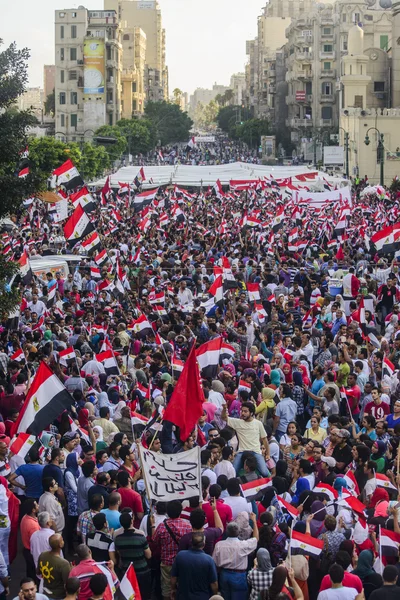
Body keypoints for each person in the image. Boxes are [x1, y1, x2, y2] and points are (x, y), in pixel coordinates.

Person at [151, 500, 192, 600]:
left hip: (166, 563)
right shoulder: (187, 526)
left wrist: (152, 525)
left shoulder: (161, 526)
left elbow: (154, 541)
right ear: (180, 511)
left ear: (167, 512)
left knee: (166, 590)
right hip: (182, 562)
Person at [212, 517, 259, 600]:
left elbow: (214, 563)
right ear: (238, 532)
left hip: (224, 575)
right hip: (239, 577)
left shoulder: (219, 545)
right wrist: (254, 522)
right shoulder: (243, 545)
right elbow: (256, 539)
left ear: (226, 532)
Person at [109, 511, 151, 598]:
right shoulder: (140, 537)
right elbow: (149, 555)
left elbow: (119, 553)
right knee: (143, 594)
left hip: (126, 571)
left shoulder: (118, 539)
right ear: (132, 521)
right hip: (142, 571)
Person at [221, 402, 270, 476]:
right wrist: (224, 409)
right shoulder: (237, 422)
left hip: (256, 451)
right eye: (242, 411)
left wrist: (268, 454)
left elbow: (264, 439)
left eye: (245, 411)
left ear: (251, 413)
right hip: (241, 452)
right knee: (233, 472)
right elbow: (224, 418)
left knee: (265, 472)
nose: (243, 413)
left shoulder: (258, 423)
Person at [171, 532, 219, 600]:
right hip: (202, 597)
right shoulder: (209, 560)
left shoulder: (180, 556)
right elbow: (214, 583)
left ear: (191, 542)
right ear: (204, 544)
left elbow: (173, 577)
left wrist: (173, 589)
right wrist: (215, 595)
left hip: (183, 596)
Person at [36, 534, 71, 600]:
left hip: (45, 591)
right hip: (58, 596)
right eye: (62, 540)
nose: (63, 541)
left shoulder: (43, 555)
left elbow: (38, 572)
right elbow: (67, 583)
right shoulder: (64, 564)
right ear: (60, 545)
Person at [21, 499, 40, 580]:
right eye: (36, 505)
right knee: (34, 575)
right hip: (31, 552)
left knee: (30, 572)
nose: (38, 505)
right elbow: (35, 543)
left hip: (26, 550)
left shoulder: (25, 517)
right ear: (33, 510)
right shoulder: (33, 526)